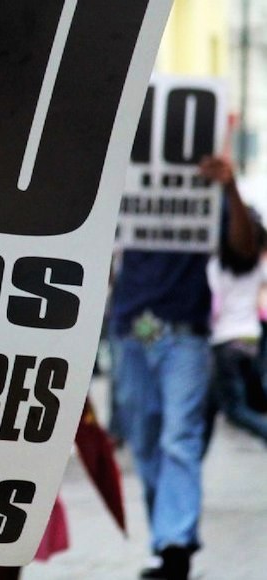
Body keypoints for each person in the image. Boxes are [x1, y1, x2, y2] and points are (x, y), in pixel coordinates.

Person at [110, 155, 258, 580]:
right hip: (133, 329)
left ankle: (173, 543)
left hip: (185, 333)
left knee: (179, 438)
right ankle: (167, 539)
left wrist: (229, 188)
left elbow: (244, 252)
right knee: (146, 440)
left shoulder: (205, 188)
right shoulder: (126, 182)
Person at [206, 218, 267, 446]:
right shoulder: (257, 268)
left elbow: (215, 308)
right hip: (250, 339)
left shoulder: (216, 268)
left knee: (234, 409)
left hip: (226, 341)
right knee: (211, 404)